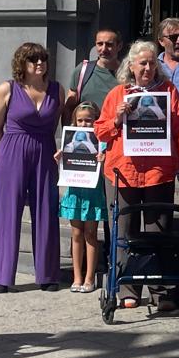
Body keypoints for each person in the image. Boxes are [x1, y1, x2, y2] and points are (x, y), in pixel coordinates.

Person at [95, 39, 179, 309]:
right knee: (123, 231)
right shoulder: (118, 94)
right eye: (142, 63)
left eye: (152, 63)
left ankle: (162, 291)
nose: (147, 67)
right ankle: (126, 289)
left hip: (159, 171)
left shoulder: (168, 91)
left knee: (159, 231)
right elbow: (100, 131)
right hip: (123, 170)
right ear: (130, 66)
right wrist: (117, 119)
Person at [0, 42, 66, 294]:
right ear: (22, 64)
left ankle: (47, 274)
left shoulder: (57, 90)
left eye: (42, 59)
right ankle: (3, 276)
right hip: (12, 151)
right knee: (9, 214)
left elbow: (60, 123)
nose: (39, 64)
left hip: (45, 151)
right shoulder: (7, 89)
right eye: (33, 60)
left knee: (46, 211)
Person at [58, 101, 108, 294]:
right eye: (80, 120)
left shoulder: (101, 140)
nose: (84, 124)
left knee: (90, 234)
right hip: (75, 191)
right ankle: (76, 277)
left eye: (89, 120)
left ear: (96, 120)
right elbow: (65, 164)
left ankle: (89, 277)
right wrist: (59, 159)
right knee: (76, 234)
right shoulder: (68, 140)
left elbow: (106, 169)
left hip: (93, 192)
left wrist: (103, 161)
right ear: (75, 121)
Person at [68, 27, 123, 112]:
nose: (103, 49)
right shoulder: (83, 70)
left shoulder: (128, 74)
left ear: (119, 46)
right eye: (100, 44)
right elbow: (69, 107)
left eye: (109, 44)